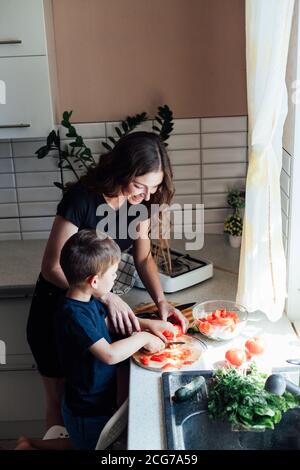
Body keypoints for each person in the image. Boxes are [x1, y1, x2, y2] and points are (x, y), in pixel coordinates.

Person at [25, 131, 189, 437]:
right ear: (122, 170)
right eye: (141, 185)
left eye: (153, 188)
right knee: (61, 401)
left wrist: (163, 302)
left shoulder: (139, 205)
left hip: (93, 314)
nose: (147, 195)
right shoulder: (81, 199)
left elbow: (144, 259)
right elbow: (51, 267)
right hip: (57, 312)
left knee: (92, 397)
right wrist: (107, 297)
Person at [19, 230, 174, 450]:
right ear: (94, 280)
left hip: (96, 400)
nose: (115, 279)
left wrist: (148, 324)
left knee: (80, 443)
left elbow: (105, 325)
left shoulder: (87, 300)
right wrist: (143, 338)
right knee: (88, 445)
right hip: (87, 408)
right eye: (113, 275)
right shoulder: (73, 315)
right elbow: (109, 354)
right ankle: (30, 446)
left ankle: (29, 443)